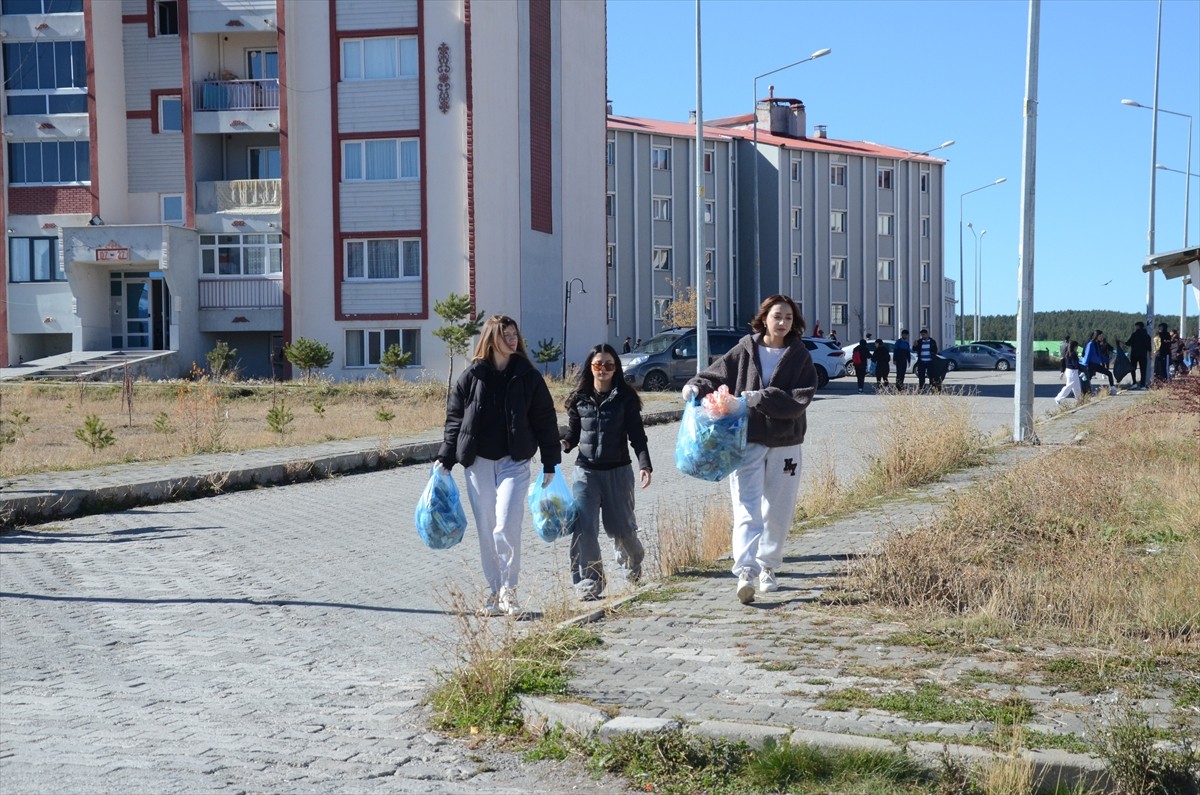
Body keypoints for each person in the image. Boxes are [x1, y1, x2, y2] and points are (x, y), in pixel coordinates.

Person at [682, 295, 817, 605]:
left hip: (786, 443)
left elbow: (801, 398)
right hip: (748, 440)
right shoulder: (745, 348)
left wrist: (763, 397)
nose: (782, 322)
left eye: (788, 317)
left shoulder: (800, 355)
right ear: (764, 318)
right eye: (777, 316)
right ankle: (745, 573)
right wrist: (695, 385)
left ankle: (768, 568)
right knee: (746, 506)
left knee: (777, 510)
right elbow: (716, 374)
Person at [438, 314, 561, 618]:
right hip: (478, 462)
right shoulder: (472, 376)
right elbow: (455, 420)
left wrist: (550, 462)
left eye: (514, 334)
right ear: (491, 338)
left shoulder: (528, 376)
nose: (512, 340)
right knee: (485, 528)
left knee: (505, 524)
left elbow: (545, 419)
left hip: (514, 462)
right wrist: (445, 458)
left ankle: (509, 589)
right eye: (505, 335)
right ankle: (494, 593)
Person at [560, 344, 652, 601]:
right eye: (598, 365)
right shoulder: (579, 399)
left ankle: (632, 564)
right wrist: (562, 445)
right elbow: (573, 434)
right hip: (586, 472)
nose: (603, 370)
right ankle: (589, 581)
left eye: (609, 365)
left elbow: (637, 436)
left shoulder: (625, 398)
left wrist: (644, 464)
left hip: (618, 472)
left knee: (621, 529)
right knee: (584, 529)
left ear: (616, 369)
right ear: (591, 367)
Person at [1083, 330, 1117, 396]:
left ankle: (1113, 389)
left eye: (1102, 336)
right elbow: (1087, 355)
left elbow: (1101, 356)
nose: (1102, 337)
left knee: (1109, 373)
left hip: (1097, 365)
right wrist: (1085, 365)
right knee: (1088, 380)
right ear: (1097, 336)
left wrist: (1109, 360)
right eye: (1101, 336)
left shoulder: (1097, 344)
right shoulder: (1090, 344)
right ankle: (1086, 394)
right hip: (1090, 365)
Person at [1055, 340, 1083, 406]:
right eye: (1077, 346)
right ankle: (1058, 398)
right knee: (1069, 386)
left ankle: (1079, 400)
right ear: (1075, 346)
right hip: (1072, 372)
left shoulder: (1068, 353)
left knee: (1076, 386)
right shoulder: (1073, 354)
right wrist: (1082, 369)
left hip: (1070, 371)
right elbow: (1075, 364)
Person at [1125, 322, 1151, 389]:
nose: (1136, 327)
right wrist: (1150, 355)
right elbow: (1149, 347)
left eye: (1136, 326)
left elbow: (1128, 343)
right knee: (1143, 370)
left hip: (1134, 354)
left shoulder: (1134, 334)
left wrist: (1120, 341)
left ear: (1138, 326)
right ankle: (1143, 385)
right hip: (1143, 355)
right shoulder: (1147, 336)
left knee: (1133, 369)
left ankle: (1134, 383)